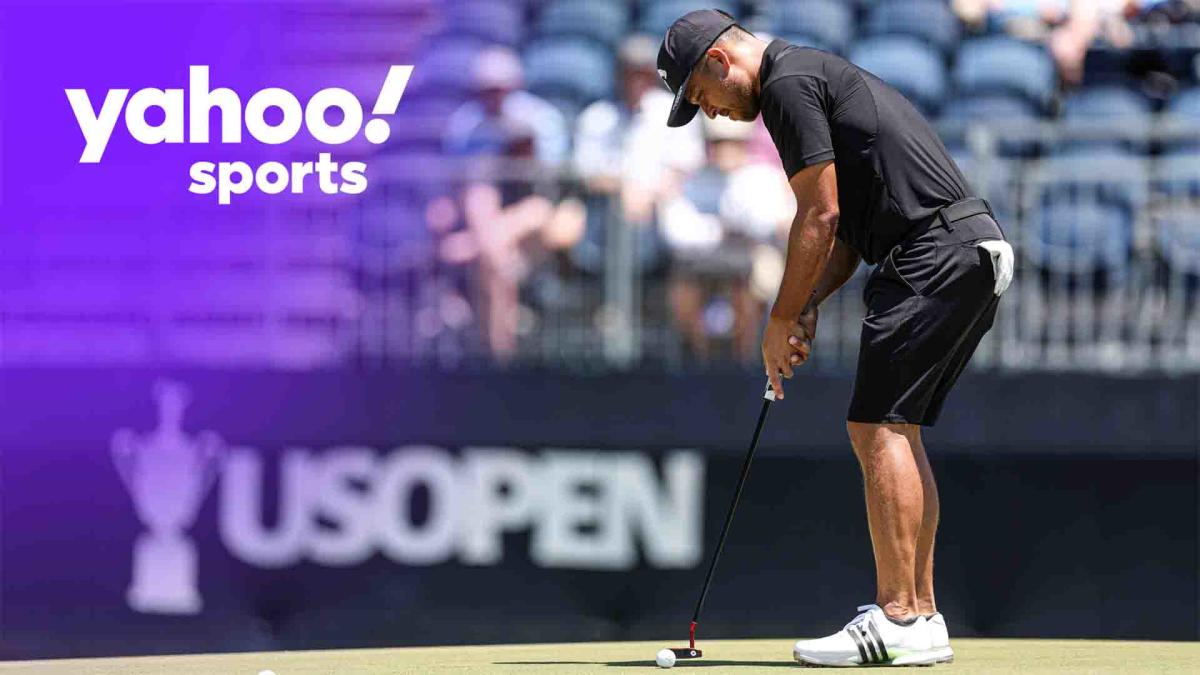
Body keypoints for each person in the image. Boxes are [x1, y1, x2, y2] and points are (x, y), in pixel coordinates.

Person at [657, 9, 1015, 667]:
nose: (709, 114)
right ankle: (922, 614)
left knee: (875, 427)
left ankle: (899, 614)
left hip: (933, 253)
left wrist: (780, 318)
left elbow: (817, 214)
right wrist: (811, 299)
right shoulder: (806, 73)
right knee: (895, 427)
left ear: (718, 62)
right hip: (968, 247)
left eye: (700, 99)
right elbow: (845, 232)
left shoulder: (787, 85)